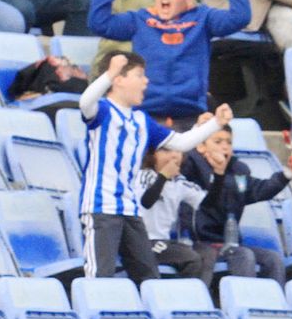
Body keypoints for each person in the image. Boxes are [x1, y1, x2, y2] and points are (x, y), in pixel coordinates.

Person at [79, 52, 232, 282]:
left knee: (149, 277)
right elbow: (85, 102)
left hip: (130, 210)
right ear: (118, 80)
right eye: (139, 75)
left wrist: (215, 124)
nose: (146, 81)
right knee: (99, 277)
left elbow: (181, 143)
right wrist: (108, 75)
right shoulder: (103, 111)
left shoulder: (142, 120)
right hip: (101, 207)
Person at [88, 0, 251, 124]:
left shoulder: (203, 19)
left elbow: (240, 17)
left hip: (190, 117)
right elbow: (99, 23)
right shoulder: (139, 20)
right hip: (144, 116)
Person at [179, 124, 292, 284]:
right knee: (244, 255)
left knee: (273, 259)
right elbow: (181, 159)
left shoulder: (239, 171)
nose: (224, 146)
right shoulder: (191, 168)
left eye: (228, 142)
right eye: (217, 142)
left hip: (229, 243)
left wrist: (288, 173)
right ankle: (246, 304)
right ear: (201, 147)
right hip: (198, 243)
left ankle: (276, 305)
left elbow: (261, 189)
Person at [137, 147, 210, 279]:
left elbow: (209, 203)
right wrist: (163, 176)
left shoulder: (180, 182)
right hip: (142, 241)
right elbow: (146, 201)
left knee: (204, 254)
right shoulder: (143, 176)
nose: (173, 156)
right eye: (166, 151)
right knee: (191, 259)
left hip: (164, 242)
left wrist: (219, 174)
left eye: (177, 150)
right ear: (153, 155)